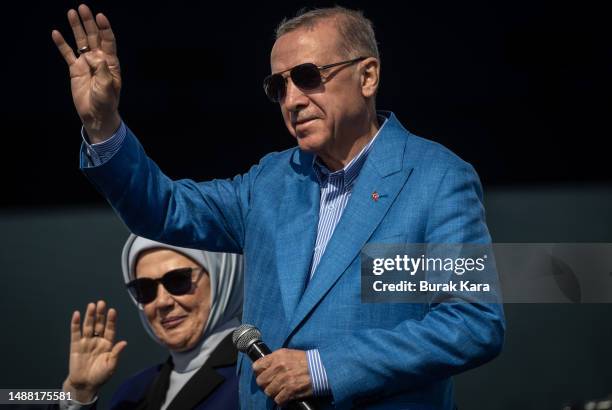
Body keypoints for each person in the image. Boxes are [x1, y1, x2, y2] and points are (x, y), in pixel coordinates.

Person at [52, 4, 505, 409]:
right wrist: (102, 123)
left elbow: (470, 323)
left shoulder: (436, 178)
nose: (292, 100)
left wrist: (324, 368)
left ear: (367, 76)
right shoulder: (271, 180)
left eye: (308, 77)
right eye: (278, 86)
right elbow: (164, 209)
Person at [60, 235, 243, 409]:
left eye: (178, 280)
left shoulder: (259, 376)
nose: (162, 302)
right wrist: (79, 394)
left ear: (221, 277)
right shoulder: (132, 392)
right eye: (145, 288)